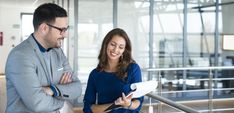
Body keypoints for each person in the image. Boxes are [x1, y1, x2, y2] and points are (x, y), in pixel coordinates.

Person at [5, 3, 82, 113]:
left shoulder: (58, 52)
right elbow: (37, 104)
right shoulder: (20, 56)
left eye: (66, 29)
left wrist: (53, 90)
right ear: (44, 28)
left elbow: (77, 87)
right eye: (62, 30)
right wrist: (61, 99)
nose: (65, 35)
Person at [83, 28, 144, 113]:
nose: (115, 50)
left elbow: (138, 101)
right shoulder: (95, 74)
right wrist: (115, 105)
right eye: (113, 44)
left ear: (124, 50)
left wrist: (128, 104)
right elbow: (88, 108)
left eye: (121, 47)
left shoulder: (133, 69)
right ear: (106, 44)